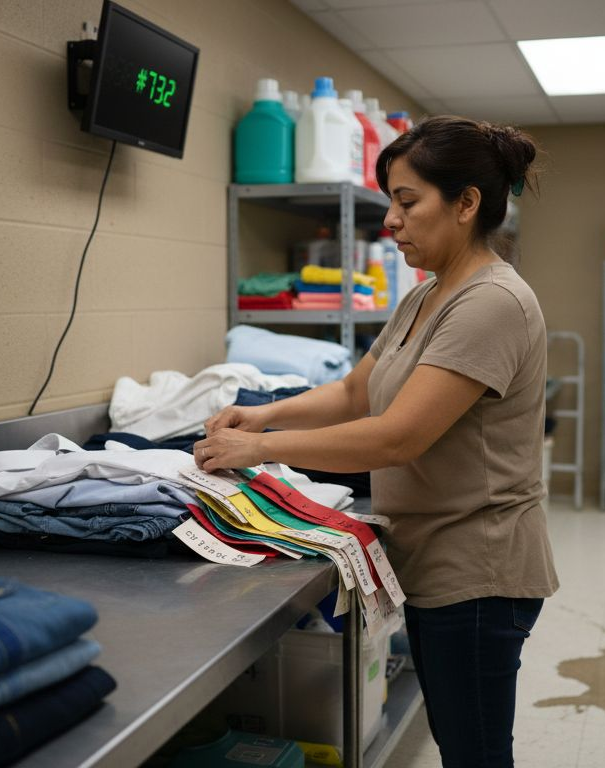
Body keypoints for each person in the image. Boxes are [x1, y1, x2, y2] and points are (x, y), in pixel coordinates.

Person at [194, 115, 558, 767]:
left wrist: (261, 451)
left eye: (407, 201)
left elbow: (396, 436)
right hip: (437, 560)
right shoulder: (425, 296)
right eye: (391, 200)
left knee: (475, 753)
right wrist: (263, 416)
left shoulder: (490, 303)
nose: (390, 221)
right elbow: (356, 393)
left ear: (466, 203)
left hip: (479, 571)